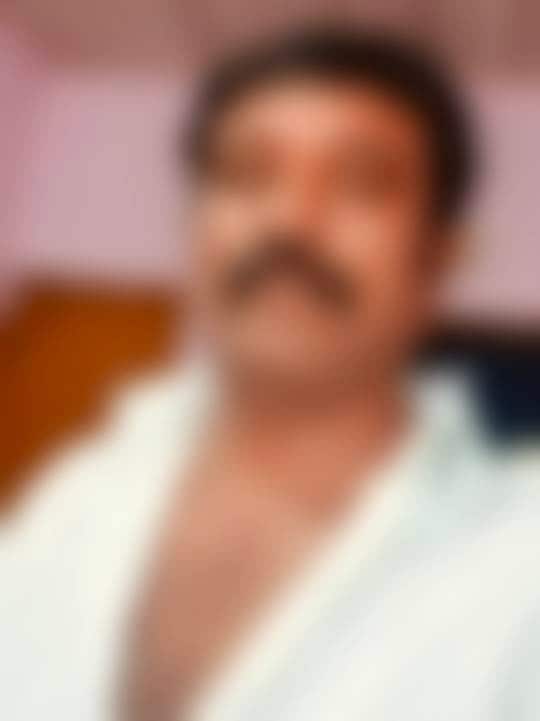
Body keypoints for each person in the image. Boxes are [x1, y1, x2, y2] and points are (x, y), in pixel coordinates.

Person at [2, 27, 539, 721]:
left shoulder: (516, 562)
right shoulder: (81, 490)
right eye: (247, 174)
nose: (290, 219)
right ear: (195, 229)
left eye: (360, 182)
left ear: (440, 256)